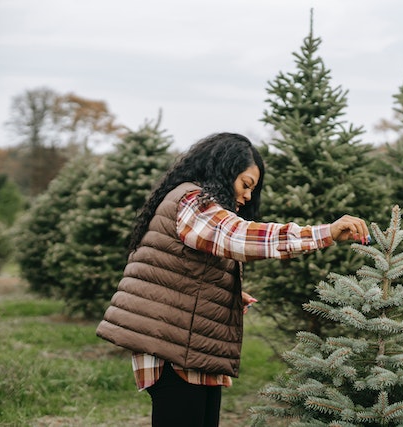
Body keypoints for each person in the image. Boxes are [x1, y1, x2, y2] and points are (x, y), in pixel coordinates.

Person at [96, 132, 369, 427]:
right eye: (245, 184)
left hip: (189, 347)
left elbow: (177, 268)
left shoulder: (195, 202)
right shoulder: (194, 201)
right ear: (224, 171)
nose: (248, 195)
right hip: (173, 350)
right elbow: (236, 237)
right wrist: (323, 233)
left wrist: (227, 293)